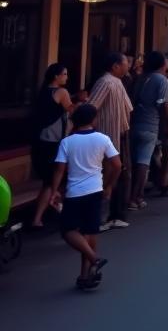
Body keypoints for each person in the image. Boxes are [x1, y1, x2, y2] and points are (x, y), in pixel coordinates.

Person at [50, 104, 121, 292]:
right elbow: (117, 165)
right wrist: (109, 185)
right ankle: (86, 273)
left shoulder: (67, 142)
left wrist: (55, 190)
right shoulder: (103, 139)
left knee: (68, 230)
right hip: (95, 190)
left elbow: (59, 169)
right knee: (89, 232)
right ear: (93, 119)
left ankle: (93, 259)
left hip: (74, 192)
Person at [89, 53, 133, 230]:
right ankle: (102, 217)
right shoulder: (105, 82)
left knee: (120, 174)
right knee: (108, 175)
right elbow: (91, 108)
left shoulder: (117, 82)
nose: (127, 66)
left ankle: (116, 214)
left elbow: (128, 108)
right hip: (107, 136)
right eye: (124, 64)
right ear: (115, 66)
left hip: (119, 134)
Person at [29, 63, 74, 229]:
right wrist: (83, 101)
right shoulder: (61, 92)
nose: (66, 77)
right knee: (52, 180)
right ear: (56, 76)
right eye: (64, 74)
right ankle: (40, 217)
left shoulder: (43, 91)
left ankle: (48, 209)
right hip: (53, 141)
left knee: (51, 180)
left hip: (40, 140)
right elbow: (71, 110)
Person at [128, 51, 168, 209]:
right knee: (143, 163)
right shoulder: (162, 80)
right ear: (161, 64)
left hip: (135, 123)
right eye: (166, 62)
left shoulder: (140, 78)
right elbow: (163, 104)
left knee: (135, 161)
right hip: (151, 124)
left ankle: (131, 194)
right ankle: (136, 197)